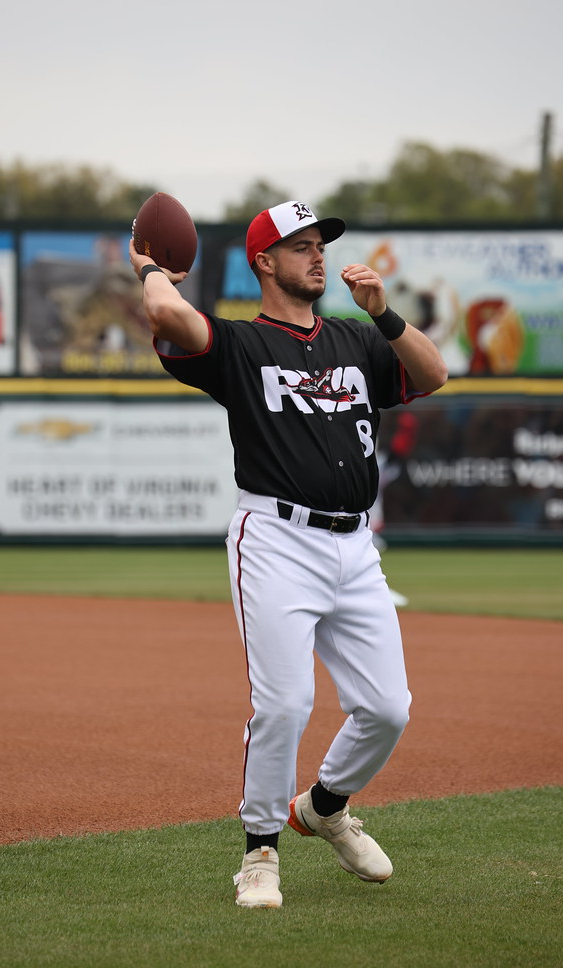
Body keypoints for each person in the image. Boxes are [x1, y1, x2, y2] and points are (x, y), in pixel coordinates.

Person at [129, 200, 448, 908]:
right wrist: (152, 268)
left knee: (388, 708)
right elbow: (169, 320)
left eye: (320, 244)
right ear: (264, 262)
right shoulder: (242, 346)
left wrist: (384, 315)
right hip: (274, 539)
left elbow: (432, 376)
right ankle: (259, 853)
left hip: (353, 546)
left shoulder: (356, 341)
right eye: (298, 245)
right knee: (284, 704)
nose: (317, 255)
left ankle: (325, 806)